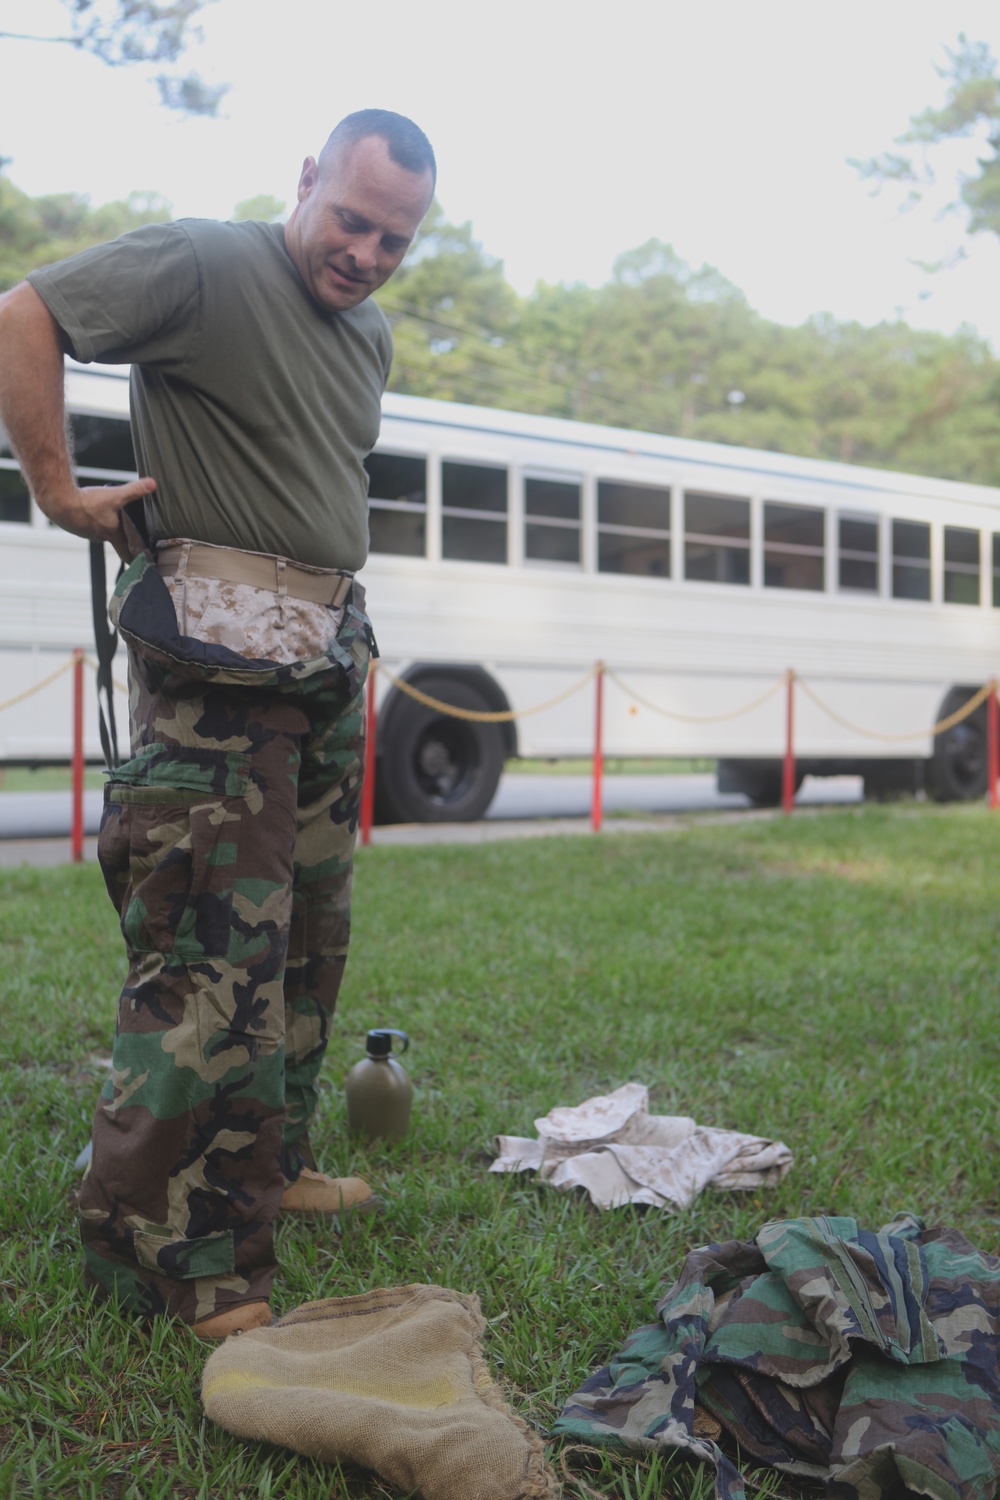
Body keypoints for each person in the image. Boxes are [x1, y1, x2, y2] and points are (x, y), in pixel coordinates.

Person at [0, 109, 436, 1338]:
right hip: (211, 679)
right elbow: (24, 310)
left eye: (392, 239)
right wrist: (52, 487)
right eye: (350, 219)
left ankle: (270, 1167)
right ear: (305, 179)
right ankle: (165, 1252)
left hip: (320, 669)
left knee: (304, 946)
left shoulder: (372, 333)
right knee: (206, 966)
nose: (364, 253)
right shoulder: (203, 262)